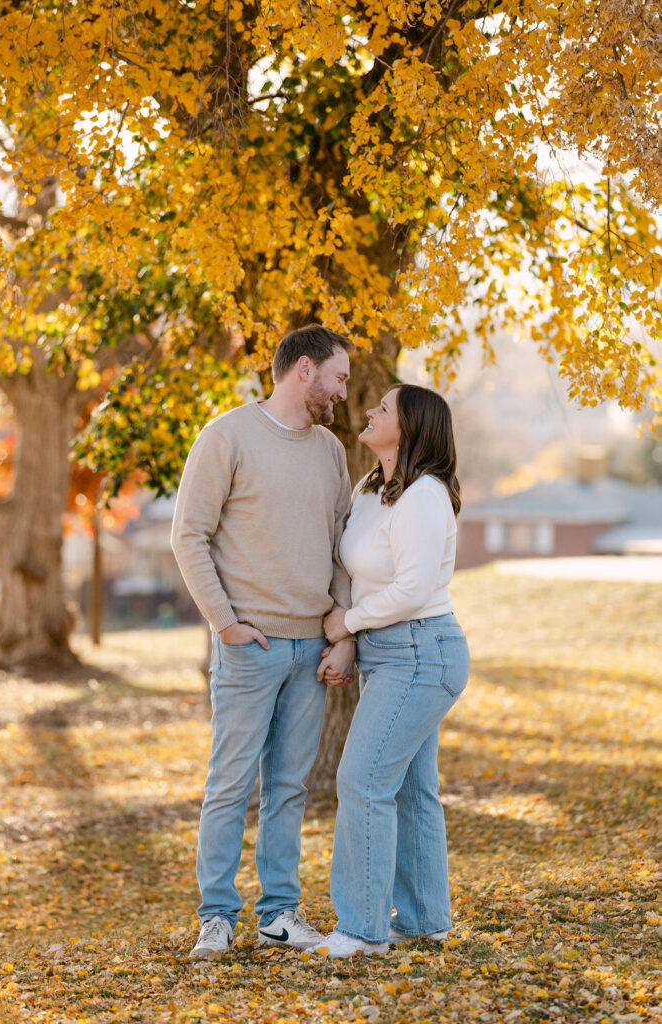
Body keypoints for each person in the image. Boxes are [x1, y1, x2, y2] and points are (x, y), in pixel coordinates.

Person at [171, 324, 357, 958]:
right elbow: (188, 535)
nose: (342, 389)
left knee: (289, 787)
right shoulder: (225, 436)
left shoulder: (331, 449)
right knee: (230, 783)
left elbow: (341, 544)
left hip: (311, 649)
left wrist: (340, 625)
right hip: (249, 646)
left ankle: (278, 913)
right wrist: (225, 623)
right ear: (303, 369)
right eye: (337, 376)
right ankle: (216, 917)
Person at [315, 383, 469, 958]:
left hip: (422, 652)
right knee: (409, 790)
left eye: (385, 407)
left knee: (362, 780)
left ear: (409, 429)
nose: (371, 410)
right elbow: (360, 574)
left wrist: (347, 624)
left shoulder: (424, 496)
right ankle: (425, 920)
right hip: (389, 653)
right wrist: (354, 636)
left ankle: (361, 930)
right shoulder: (372, 490)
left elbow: (411, 590)